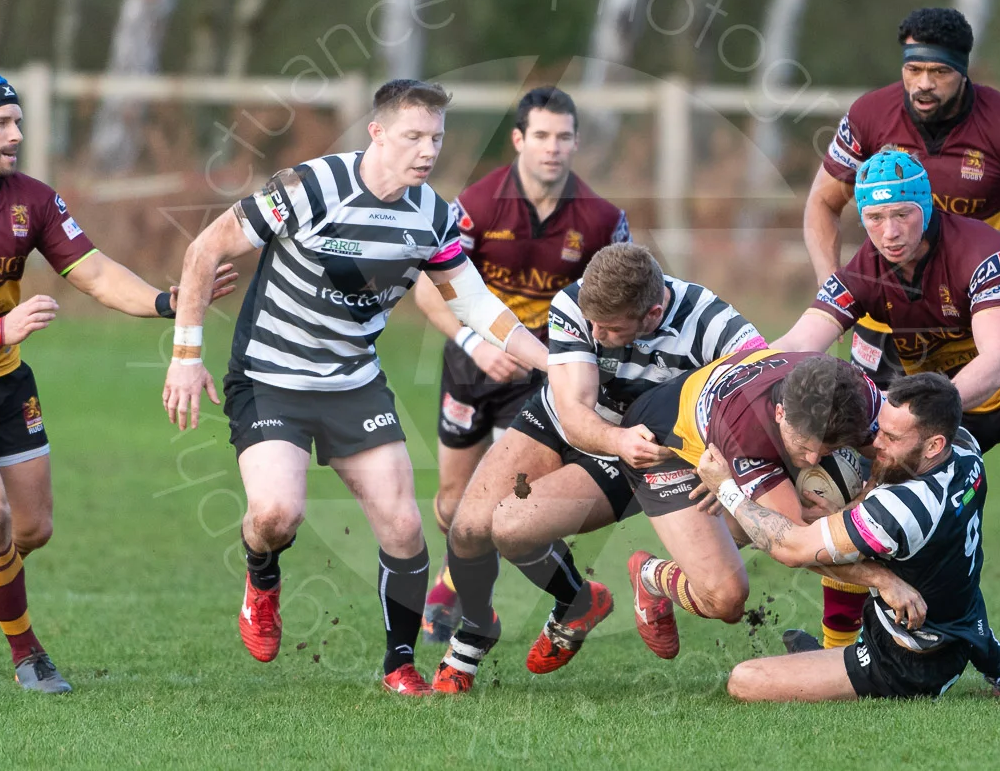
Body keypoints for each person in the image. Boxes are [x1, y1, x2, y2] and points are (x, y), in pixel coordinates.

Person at [162, 79, 549, 696]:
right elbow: (206, 249)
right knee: (275, 515)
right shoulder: (308, 187)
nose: (427, 151)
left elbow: (478, 305)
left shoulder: (434, 214)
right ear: (377, 132)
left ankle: (400, 665)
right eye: (413, 136)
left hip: (353, 386)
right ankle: (261, 578)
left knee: (403, 528)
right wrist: (186, 357)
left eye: (437, 138)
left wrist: (553, 363)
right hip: (271, 379)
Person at [0, 72, 236, 694]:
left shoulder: (33, 198)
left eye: (19, 121)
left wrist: (163, 301)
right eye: (2, 123)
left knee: (31, 530)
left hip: (5, 381)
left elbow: (92, 271)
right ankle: (29, 655)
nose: (18, 134)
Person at [800, 6, 1000, 649]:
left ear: (963, 72)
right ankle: (834, 648)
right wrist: (844, 291)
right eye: (913, 69)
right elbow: (822, 205)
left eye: (938, 71)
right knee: (854, 487)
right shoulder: (868, 117)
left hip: (993, 342)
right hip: (904, 341)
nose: (923, 84)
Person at [774, 150, 1000, 667]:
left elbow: (998, 360)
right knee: (856, 496)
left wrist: (921, 415)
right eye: (874, 218)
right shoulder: (866, 268)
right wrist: (741, 371)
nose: (889, 231)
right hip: (928, 398)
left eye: (902, 215)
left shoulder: (983, 252)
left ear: (927, 208)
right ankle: (835, 651)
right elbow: (799, 341)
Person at [431, 244, 766, 693]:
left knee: (511, 527)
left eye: (609, 328)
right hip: (572, 420)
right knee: (468, 527)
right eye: (592, 321)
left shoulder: (711, 324)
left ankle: (634, 583)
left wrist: (724, 463)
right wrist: (617, 438)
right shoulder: (575, 302)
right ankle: (493, 628)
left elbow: (762, 389)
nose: (594, 332)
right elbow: (574, 410)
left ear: (651, 313)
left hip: (641, 450)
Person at [411, 86, 631, 643]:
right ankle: (452, 575)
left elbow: (618, 301)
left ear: (576, 142)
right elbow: (429, 291)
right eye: (541, 136)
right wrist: (475, 343)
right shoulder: (478, 206)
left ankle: (463, 596)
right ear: (518, 139)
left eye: (563, 137)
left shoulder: (602, 220)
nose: (552, 148)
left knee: (507, 501)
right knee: (452, 502)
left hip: (542, 379)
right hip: (470, 366)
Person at [700, 373, 1000, 701]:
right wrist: (848, 514)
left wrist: (727, 489)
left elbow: (792, 548)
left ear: (934, 445)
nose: (875, 444)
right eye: (880, 429)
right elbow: (880, 490)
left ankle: (831, 661)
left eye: (891, 438)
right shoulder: (964, 448)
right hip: (959, 615)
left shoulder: (902, 510)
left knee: (744, 680)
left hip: (904, 663)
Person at [619, 350, 922, 659]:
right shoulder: (746, 435)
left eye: (828, 448)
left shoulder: (856, 395)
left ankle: (838, 652)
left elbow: (901, 455)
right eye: (805, 447)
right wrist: (883, 580)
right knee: (726, 598)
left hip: (727, 420)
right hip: (659, 441)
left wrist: (862, 498)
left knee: (850, 507)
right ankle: (649, 574)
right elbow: (792, 547)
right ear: (780, 413)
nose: (812, 461)